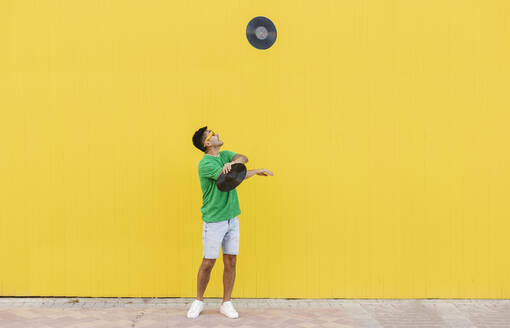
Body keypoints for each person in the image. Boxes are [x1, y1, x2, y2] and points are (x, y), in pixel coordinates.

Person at [187, 126, 274, 319]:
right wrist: (229, 169)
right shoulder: (205, 164)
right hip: (214, 220)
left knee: (231, 261)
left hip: (232, 217)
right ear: (207, 143)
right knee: (208, 262)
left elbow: (243, 158)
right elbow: (228, 179)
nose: (217, 133)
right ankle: (198, 301)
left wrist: (238, 165)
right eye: (211, 134)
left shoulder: (225, 154)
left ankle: (226, 303)